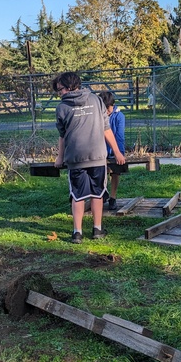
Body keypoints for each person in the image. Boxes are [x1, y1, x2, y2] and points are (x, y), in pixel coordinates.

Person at [53, 72, 125, 244]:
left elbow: (62, 136)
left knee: (77, 195)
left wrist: (60, 157)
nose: (59, 93)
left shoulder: (62, 108)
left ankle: (77, 232)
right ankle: (97, 229)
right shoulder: (95, 100)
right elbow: (106, 129)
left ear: (70, 87)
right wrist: (117, 152)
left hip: (75, 159)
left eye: (60, 89)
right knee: (97, 193)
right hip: (97, 157)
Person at [98, 91, 125, 211]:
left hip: (114, 150)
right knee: (99, 171)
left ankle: (113, 197)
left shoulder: (119, 116)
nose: (106, 111)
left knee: (115, 171)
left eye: (108, 108)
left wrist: (119, 153)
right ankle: (103, 192)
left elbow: (119, 136)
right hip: (100, 150)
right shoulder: (98, 116)